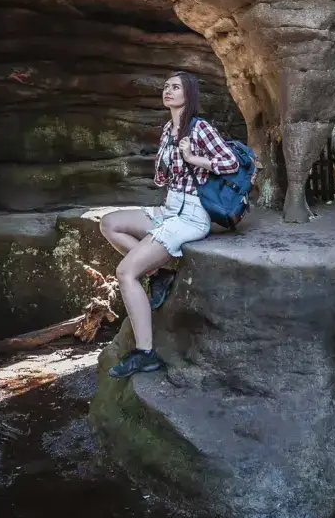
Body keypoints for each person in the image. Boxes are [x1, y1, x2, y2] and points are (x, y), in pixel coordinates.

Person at [99, 71, 240, 378]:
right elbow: (163, 178)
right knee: (109, 224)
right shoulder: (167, 128)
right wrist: (165, 165)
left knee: (125, 272)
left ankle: (146, 353)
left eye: (175, 87)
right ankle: (160, 270)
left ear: (188, 94)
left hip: (191, 215)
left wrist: (193, 158)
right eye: (166, 86)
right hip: (169, 207)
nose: (168, 90)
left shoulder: (199, 127)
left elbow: (231, 163)